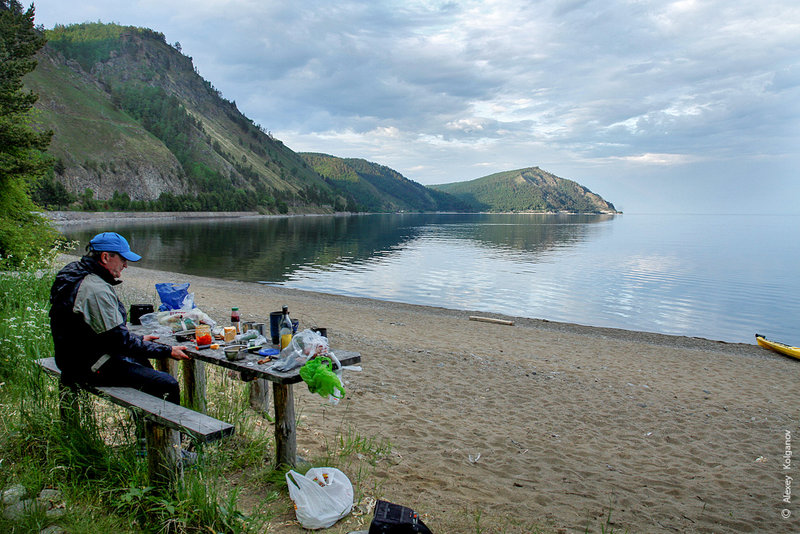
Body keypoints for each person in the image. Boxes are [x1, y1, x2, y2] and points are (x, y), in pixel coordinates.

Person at [49, 232, 189, 404]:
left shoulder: (73, 273)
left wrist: (139, 338)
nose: (126, 265)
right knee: (167, 384)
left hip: (71, 358)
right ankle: (170, 429)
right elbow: (120, 342)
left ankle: (146, 426)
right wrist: (167, 351)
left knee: (142, 361)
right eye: (123, 259)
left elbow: (96, 332)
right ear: (106, 257)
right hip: (89, 366)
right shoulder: (95, 289)